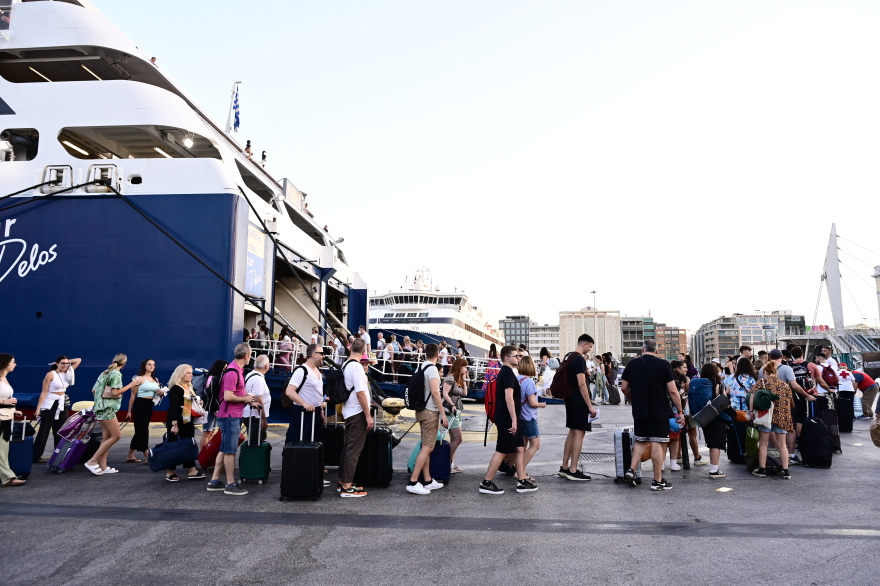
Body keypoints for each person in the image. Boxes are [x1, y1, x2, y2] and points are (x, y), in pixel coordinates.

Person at [621, 339, 683, 491]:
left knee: (640, 441)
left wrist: (633, 398)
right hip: (659, 409)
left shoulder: (632, 364)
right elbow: (673, 391)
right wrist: (680, 411)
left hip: (640, 410)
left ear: (642, 349)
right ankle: (657, 480)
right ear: (656, 351)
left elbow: (623, 388)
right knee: (657, 441)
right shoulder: (663, 365)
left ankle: (631, 470)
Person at [479, 345, 536, 495]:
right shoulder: (507, 374)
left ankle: (522, 479)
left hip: (510, 416)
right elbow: (509, 398)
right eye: (515, 356)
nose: (518, 358)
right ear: (507, 358)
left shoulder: (508, 373)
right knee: (502, 450)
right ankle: (487, 482)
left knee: (519, 447)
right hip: (507, 417)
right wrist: (514, 420)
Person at [206, 343, 259, 496]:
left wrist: (249, 400)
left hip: (229, 415)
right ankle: (230, 484)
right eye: (250, 354)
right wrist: (246, 398)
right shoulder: (233, 372)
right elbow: (228, 396)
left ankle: (214, 481)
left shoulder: (236, 370)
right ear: (246, 356)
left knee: (224, 448)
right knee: (230, 451)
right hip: (230, 416)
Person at [84, 354, 144, 476]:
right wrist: (132, 385)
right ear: (124, 364)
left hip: (100, 408)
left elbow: (94, 390)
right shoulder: (116, 374)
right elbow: (115, 392)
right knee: (116, 436)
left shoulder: (105, 372)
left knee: (106, 438)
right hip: (108, 409)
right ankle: (92, 461)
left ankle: (103, 466)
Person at [406, 343, 448, 495]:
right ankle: (413, 481)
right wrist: (443, 413)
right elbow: (436, 393)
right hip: (430, 412)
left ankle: (428, 480)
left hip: (420, 410)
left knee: (426, 445)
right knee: (428, 447)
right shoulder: (433, 370)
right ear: (438, 355)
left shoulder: (421, 366)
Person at [559, 334, 598, 482]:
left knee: (572, 432)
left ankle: (564, 467)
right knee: (579, 434)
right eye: (590, 346)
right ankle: (573, 469)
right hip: (579, 400)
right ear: (584, 344)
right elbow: (582, 384)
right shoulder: (580, 359)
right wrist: (590, 406)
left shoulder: (569, 356)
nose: (589, 349)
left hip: (569, 398)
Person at [338, 339, 372, 497]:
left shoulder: (345, 365)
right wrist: (368, 415)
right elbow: (360, 393)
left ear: (351, 348)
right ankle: (347, 486)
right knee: (354, 450)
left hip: (348, 410)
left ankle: (343, 481)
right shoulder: (357, 367)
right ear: (364, 350)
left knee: (348, 447)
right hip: (357, 412)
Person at [32, 355, 81, 464]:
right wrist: (38, 408)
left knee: (61, 430)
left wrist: (68, 362)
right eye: (62, 363)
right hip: (50, 403)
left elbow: (79, 360)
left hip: (62, 403)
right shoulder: (50, 374)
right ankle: (35, 456)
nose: (65, 365)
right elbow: (44, 392)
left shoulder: (68, 372)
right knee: (44, 430)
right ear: (57, 363)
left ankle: (59, 455)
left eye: (67, 363)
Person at [750, 360, 793, 480]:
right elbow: (790, 402)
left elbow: (752, 395)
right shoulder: (784, 385)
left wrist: (751, 411)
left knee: (763, 444)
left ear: (765, 371)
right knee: (782, 445)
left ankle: (762, 469)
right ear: (776, 372)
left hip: (766, 416)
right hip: (782, 417)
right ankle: (785, 471)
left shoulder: (762, 382)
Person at [164, 364, 205, 481]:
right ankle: (170, 471)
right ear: (180, 374)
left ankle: (191, 469)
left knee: (188, 444)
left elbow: (190, 403)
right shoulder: (176, 389)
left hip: (188, 421)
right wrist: (174, 425)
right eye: (188, 373)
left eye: (191, 372)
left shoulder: (189, 388)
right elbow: (173, 408)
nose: (191, 375)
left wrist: (198, 402)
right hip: (177, 421)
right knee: (173, 445)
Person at [285, 344, 327, 454]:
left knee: (315, 442)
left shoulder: (317, 371)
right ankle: (297, 467)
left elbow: (317, 393)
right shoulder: (302, 371)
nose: (324, 356)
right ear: (313, 354)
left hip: (316, 412)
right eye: (321, 353)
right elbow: (289, 391)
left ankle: (313, 467)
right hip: (303, 414)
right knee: (301, 442)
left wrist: (321, 411)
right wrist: (304, 404)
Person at [688, 364, 728, 478]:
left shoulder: (694, 383)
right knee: (716, 443)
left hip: (703, 417)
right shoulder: (717, 385)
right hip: (716, 417)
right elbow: (724, 403)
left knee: (710, 442)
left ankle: (713, 468)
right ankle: (714, 470)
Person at [125, 358, 163, 464]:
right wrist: (129, 411)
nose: (151, 366)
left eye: (153, 365)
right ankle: (147, 455)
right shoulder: (139, 379)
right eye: (149, 364)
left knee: (140, 429)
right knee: (143, 430)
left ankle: (130, 455)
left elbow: (155, 393)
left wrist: (160, 392)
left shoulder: (155, 379)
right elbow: (132, 396)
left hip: (150, 405)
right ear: (144, 366)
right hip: (140, 404)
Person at [517, 356, 545, 482]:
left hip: (520, 416)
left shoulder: (517, 379)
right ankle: (520, 472)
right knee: (535, 445)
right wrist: (542, 404)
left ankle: (520, 471)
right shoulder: (529, 382)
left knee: (523, 445)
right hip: (529, 416)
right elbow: (532, 403)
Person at [0, 354, 26, 486]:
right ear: (5, 363)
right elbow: (3, 400)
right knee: (1, 448)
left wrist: (13, 410)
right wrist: (5, 401)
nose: (15, 364)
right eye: (13, 362)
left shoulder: (4, 378)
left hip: (5, 416)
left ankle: (6, 477)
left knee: (3, 448)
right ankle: (7, 477)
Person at [441, 357, 469, 474]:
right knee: (458, 439)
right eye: (465, 367)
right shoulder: (450, 378)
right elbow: (445, 393)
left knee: (454, 440)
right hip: (450, 410)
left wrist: (464, 380)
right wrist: (452, 404)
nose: (466, 369)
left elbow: (464, 393)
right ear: (459, 367)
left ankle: (451, 464)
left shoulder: (458, 378)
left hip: (457, 410)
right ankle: (445, 462)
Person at [199, 360, 228, 449]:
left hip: (215, 407)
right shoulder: (212, 378)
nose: (226, 369)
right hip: (209, 408)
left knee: (211, 432)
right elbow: (209, 392)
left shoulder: (218, 378)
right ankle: (202, 453)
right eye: (225, 367)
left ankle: (207, 452)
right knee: (206, 432)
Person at [244, 355, 271, 444]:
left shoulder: (250, 374)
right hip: (255, 416)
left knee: (255, 440)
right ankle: (251, 458)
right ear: (266, 366)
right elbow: (258, 399)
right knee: (255, 442)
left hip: (252, 414)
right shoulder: (258, 379)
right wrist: (263, 419)